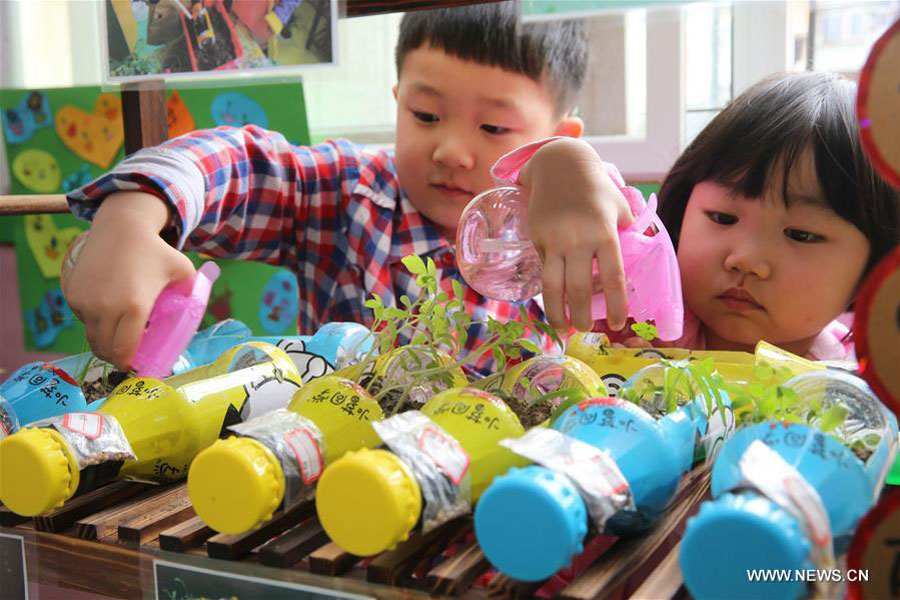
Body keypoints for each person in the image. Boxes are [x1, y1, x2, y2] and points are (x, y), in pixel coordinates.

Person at [63, 2, 592, 373]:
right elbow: (246, 166)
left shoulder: (565, 226)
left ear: (557, 137)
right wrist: (135, 212)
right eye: (426, 114)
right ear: (398, 98)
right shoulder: (350, 194)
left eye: (493, 128)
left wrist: (582, 180)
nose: (451, 150)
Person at [514, 71, 900, 360]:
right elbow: (594, 200)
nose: (745, 259)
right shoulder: (639, 309)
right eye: (722, 217)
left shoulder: (859, 385)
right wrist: (564, 160)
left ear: (874, 269)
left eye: (800, 234)